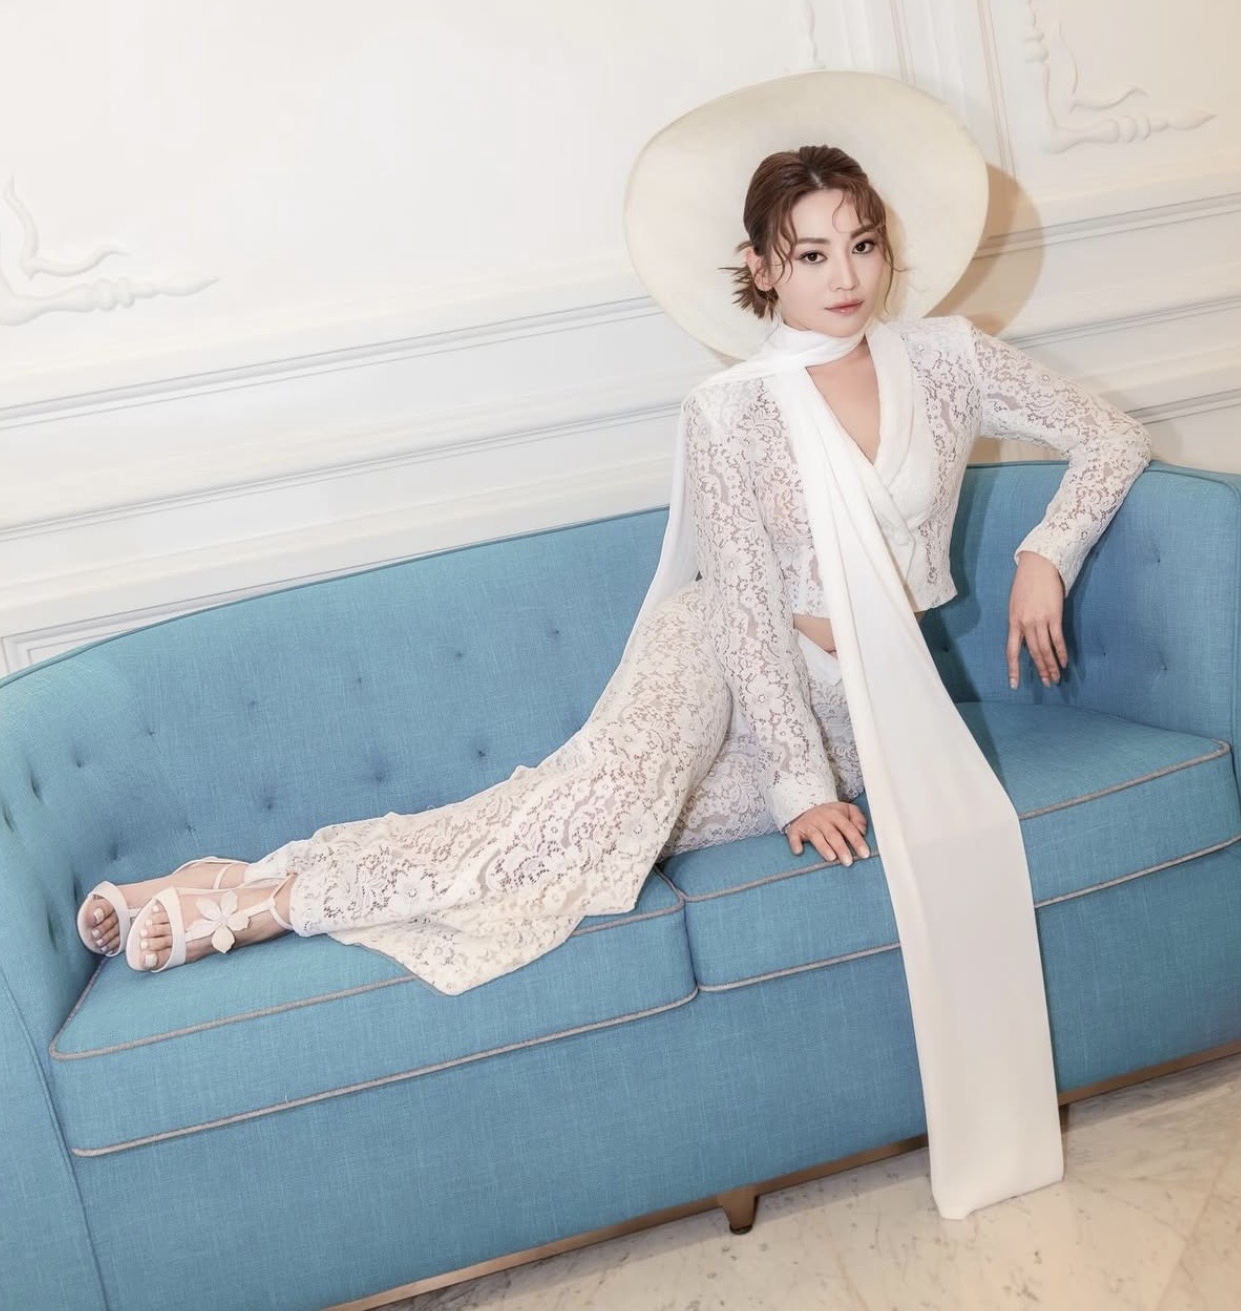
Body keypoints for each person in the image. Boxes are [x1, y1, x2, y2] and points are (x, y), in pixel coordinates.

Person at [75, 75, 1152, 1216]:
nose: (844, 277)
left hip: (866, 704)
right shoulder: (731, 408)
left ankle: (244, 874)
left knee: (579, 839)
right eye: (809, 254)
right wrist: (796, 785)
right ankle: (269, 907)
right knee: (593, 818)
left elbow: (1108, 435)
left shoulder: (945, 360)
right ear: (760, 268)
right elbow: (745, 606)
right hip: (717, 661)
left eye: (861, 245)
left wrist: (1045, 553)